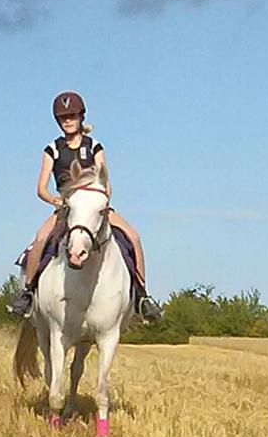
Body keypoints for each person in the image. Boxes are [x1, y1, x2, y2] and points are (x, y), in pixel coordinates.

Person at [10, 91, 161, 319]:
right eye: (63, 118)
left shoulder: (95, 146)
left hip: (96, 207)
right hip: (67, 208)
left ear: (81, 116)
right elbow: (41, 188)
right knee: (41, 239)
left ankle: (142, 296)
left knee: (134, 237)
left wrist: (102, 201)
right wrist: (56, 200)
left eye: (72, 116)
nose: (68, 121)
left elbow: (105, 181)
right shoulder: (52, 149)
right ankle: (28, 293)